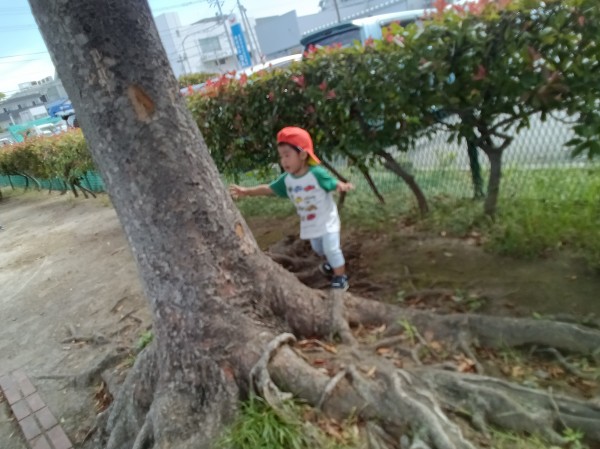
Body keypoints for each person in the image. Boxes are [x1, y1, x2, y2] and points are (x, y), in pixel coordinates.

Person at [229, 126, 354, 290]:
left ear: (302, 155)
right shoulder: (287, 180)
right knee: (319, 249)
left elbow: (331, 182)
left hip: (327, 221)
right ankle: (333, 263)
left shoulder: (316, 174)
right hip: (311, 224)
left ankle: (340, 277)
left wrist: (341, 186)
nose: (284, 161)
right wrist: (246, 191)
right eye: (281, 156)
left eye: (287, 155)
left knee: (331, 248)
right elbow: (268, 189)